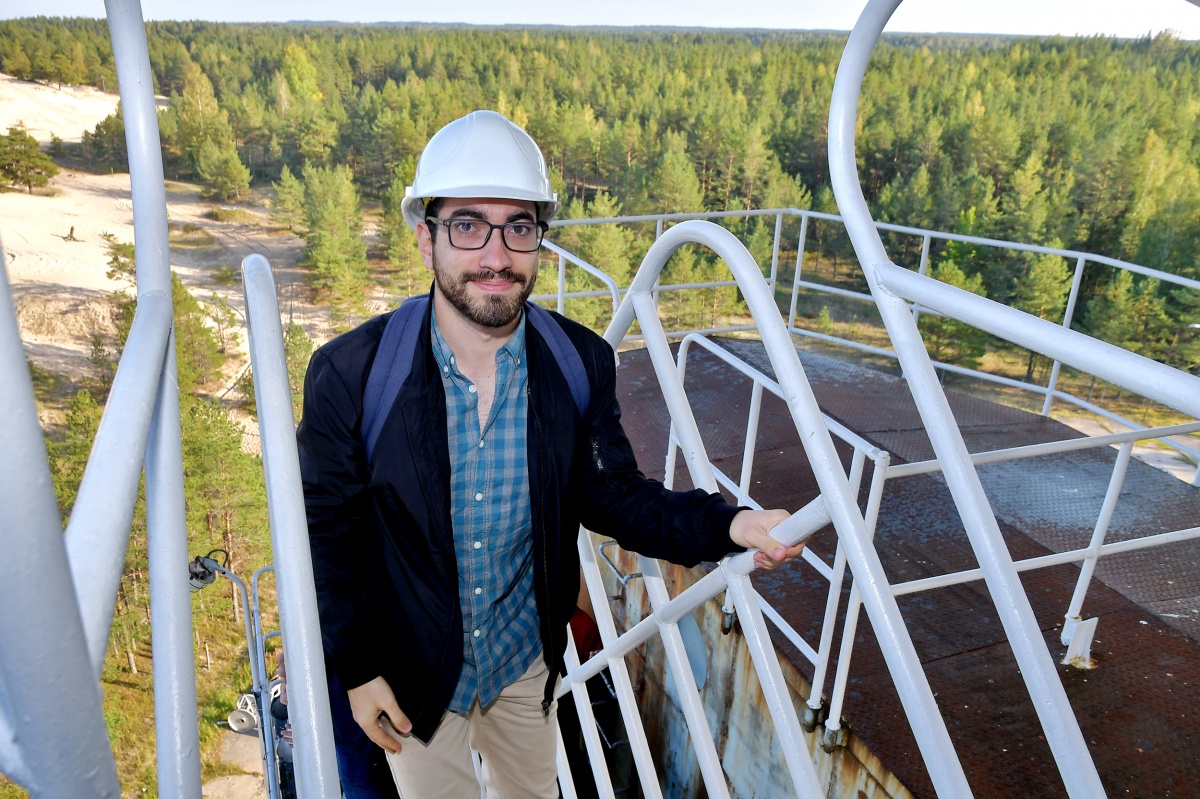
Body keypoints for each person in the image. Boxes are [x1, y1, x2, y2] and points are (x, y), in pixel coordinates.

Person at [297, 109, 804, 799]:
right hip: (413, 673)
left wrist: (731, 524)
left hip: (522, 663)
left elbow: (615, 496)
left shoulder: (577, 363)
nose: (496, 255)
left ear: (539, 240)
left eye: (519, 227)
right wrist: (358, 669)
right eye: (467, 225)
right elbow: (327, 534)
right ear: (425, 238)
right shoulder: (353, 376)